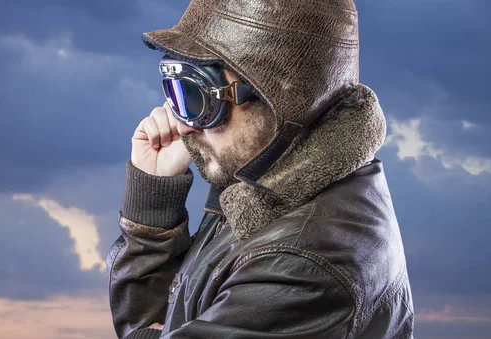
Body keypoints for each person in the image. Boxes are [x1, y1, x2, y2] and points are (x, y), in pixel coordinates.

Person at [106, 0, 414, 338]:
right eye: (176, 93)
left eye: (197, 97)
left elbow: (156, 327)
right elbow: (166, 319)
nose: (182, 126)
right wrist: (153, 209)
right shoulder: (260, 177)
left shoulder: (301, 261)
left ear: (279, 98)